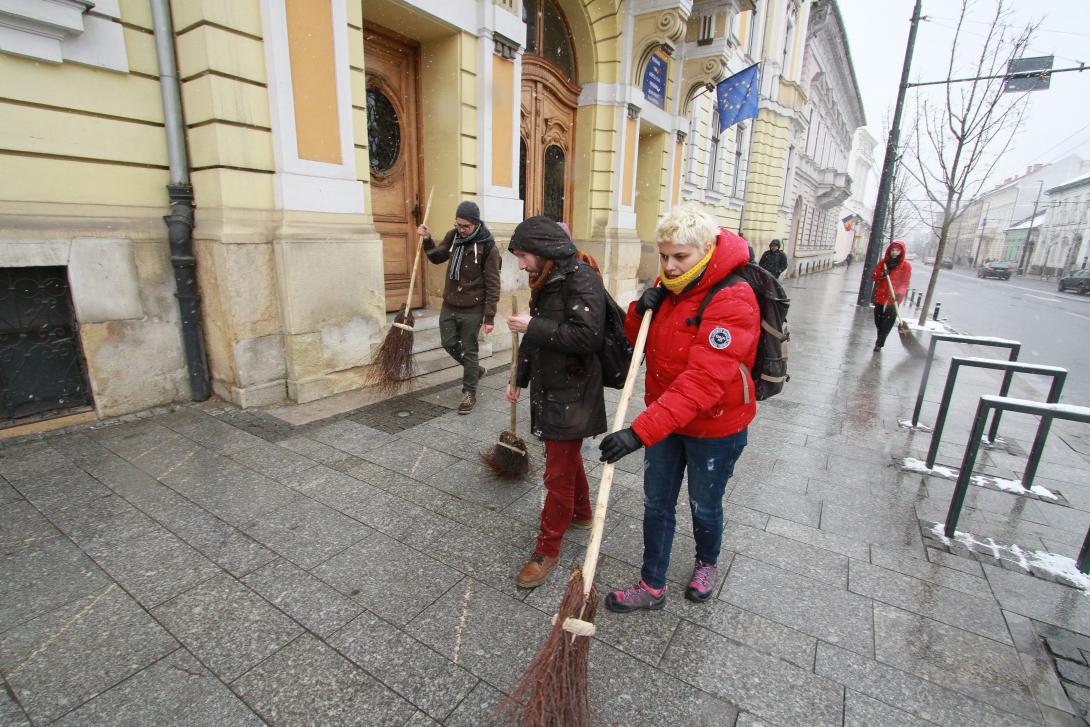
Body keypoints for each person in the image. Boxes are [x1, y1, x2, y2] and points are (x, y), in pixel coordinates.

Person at [597, 205, 760, 611]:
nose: (669, 266)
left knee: (704, 504)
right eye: (664, 255)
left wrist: (638, 432)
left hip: (715, 426)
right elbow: (638, 340)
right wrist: (641, 307)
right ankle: (652, 584)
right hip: (666, 421)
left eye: (680, 257)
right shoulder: (669, 285)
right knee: (656, 503)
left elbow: (703, 382)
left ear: (706, 249)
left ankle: (707, 562)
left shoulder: (734, 297)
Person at [506, 216, 607, 588]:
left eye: (522, 255)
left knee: (556, 472)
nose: (520, 264)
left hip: (574, 390)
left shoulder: (581, 278)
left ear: (544, 251)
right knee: (564, 458)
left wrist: (531, 326)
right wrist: (519, 377)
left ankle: (548, 549)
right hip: (552, 385)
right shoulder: (546, 279)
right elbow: (538, 335)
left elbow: (587, 337)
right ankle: (581, 512)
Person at [417, 201, 501, 414]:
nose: (461, 230)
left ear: (475, 223)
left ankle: (469, 393)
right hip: (450, 303)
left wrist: (489, 317)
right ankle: (475, 370)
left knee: (470, 350)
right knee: (448, 342)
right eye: (458, 225)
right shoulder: (453, 236)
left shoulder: (488, 246)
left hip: (473, 307)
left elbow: (493, 284)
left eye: (465, 226)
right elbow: (437, 257)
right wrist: (427, 240)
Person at [870, 239, 912, 351]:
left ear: (901, 252)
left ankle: (879, 343)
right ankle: (881, 336)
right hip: (881, 295)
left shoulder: (906, 266)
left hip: (894, 297)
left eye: (897, 250)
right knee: (878, 320)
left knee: (888, 321)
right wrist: (882, 274)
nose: (895, 252)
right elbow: (874, 276)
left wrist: (899, 293)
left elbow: (905, 282)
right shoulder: (883, 263)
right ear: (890, 250)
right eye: (893, 250)